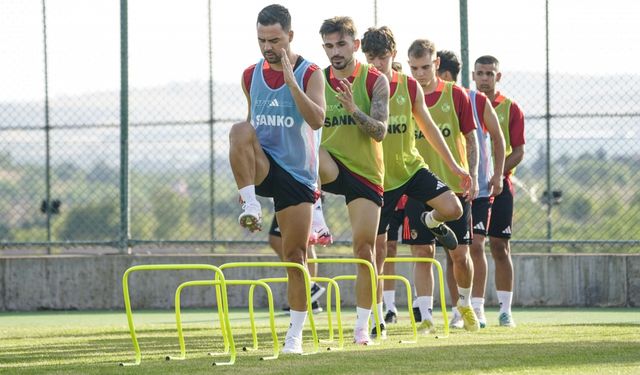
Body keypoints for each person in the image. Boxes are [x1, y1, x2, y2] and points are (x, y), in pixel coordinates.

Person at [360, 27, 471, 337]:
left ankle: (431, 220)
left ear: (392, 55)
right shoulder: (362, 86)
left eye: (382, 57)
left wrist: (455, 166)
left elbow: (430, 128)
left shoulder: (409, 87)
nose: (377, 64)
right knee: (379, 252)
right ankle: (376, 318)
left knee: (453, 209)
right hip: (381, 178)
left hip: (411, 169)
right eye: (371, 58)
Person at [228, 4, 326, 354]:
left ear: (290, 36)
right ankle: (250, 203)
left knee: (295, 255)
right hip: (265, 166)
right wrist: (246, 190)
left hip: (298, 176)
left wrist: (291, 83)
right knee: (239, 129)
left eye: (274, 40)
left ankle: (295, 337)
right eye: (261, 40)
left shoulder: (311, 72)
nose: (267, 47)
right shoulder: (249, 75)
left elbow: (316, 120)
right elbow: (249, 131)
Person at [317, 16, 389, 345]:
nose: (335, 51)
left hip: (364, 173)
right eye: (329, 45)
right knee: (306, 155)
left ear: (355, 45)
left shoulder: (375, 81)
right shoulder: (316, 79)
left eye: (341, 44)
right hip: (329, 164)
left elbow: (379, 130)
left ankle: (362, 327)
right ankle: (315, 214)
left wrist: (352, 108)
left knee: (364, 250)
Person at [402, 38, 480, 332]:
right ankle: (425, 316)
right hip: (417, 185)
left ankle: (464, 305)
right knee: (423, 253)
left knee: (459, 254)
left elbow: (471, 138)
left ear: (436, 64)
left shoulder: (456, 95)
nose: (420, 74)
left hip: (453, 188)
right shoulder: (405, 97)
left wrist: (470, 174)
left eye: (424, 67)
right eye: (414, 68)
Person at [436, 50, 506, 329]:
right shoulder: (427, 100)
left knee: (476, 246)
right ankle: (458, 309)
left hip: (477, 188)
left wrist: (497, 176)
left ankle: (477, 307)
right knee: (452, 252)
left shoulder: (473, 99)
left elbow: (499, 140)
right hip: (447, 188)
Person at [472, 55, 525, 327]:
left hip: (500, 185)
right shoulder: (466, 102)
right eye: (480, 73)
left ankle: (505, 310)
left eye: (489, 73)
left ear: (498, 76)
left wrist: (498, 173)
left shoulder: (510, 108)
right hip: (473, 185)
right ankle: (472, 309)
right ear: (473, 75)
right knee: (473, 245)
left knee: (500, 246)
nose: (484, 78)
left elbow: (518, 151)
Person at [269, 195, 331, 314]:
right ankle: (308, 291)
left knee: (305, 240)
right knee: (278, 239)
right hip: (284, 190)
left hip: (300, 188)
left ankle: (309, 289)